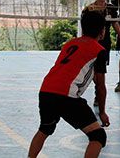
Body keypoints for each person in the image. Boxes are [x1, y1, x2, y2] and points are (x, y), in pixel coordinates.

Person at [28, 11, 110, 158]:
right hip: (66, 95)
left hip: (46, 90)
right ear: (102, 30)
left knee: (45, 129)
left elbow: (73, 68)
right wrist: (102, 112)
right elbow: (100, 86)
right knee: (98, 136)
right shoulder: (99, 51)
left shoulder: (70, 43)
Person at [82, 0, 120, 106]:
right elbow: (84, 28)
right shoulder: (89, 9)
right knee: (92, 70)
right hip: (92, 43)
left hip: (105, 43)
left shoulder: (111, 8)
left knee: (101, 70)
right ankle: (98, 89)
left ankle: (98, 95)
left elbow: (115, 24)